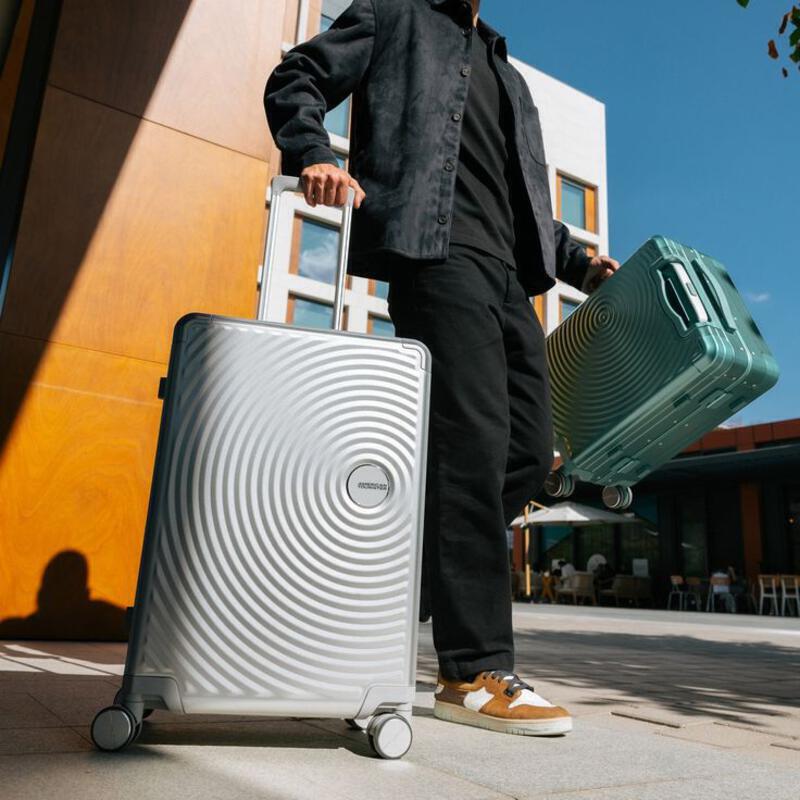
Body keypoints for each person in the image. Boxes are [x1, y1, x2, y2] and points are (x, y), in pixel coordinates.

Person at [265, 0, 619, 737]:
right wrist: (315, 154)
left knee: (525, 459)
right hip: (436, 259)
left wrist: (582, 263)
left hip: (508, 281)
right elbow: (297, 74)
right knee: (472, 452)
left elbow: (528, 204)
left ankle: (372, 599)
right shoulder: (391, 16)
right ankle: (473, 669)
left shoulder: (507, 75)